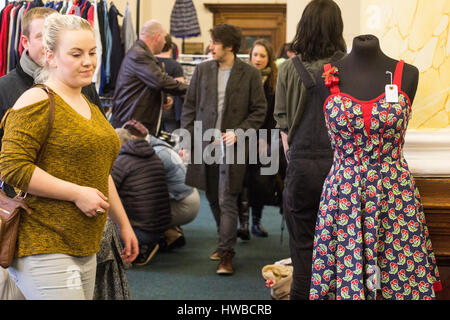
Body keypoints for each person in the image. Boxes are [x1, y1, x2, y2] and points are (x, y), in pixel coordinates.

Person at [0, 12, 138, 300]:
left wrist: (123, 223)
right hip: (43, 241)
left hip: (84, 243)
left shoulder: (85, 100)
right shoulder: (37, 100)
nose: (88, 61)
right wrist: (76, 193)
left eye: (92, 52)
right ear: (50, 56)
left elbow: (99, 171)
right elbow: (13, 168)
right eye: (76, 54)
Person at [309, 34, 442, 300]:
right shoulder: (324, 77)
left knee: (401, 280)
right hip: (343, 198)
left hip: (396, 196)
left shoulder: (408, 74)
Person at [273, 0, 347, 300]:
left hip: (301, 170)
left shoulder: (288, 70)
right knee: (344, 257)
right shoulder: (350, 68)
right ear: (337, 28)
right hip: (342, 171)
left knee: (303, 254)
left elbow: (284, 133)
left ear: (303, 26)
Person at [180, 23, 267, 275]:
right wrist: (187, 141)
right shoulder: (201, 70)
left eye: (215, 43)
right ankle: (224, 240)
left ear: (229, 46)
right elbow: (189, 107)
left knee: (227, 196)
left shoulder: (249, 73)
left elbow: (258, 111)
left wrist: (238, 133)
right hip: (205, 143)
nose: (211, 47)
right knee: (211, 196)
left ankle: (226, 253)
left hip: (234, 146)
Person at [0, 7, 102, 197]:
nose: (49, 43)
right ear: (25, 42)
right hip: (30, 207)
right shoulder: (5, 88)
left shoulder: (83, 85)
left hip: (88, 205)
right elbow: (11, 164)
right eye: (42, 36)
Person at [122, 119, 200, 249]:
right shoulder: (158, 145)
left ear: (134, 138)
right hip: (187, 197)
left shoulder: (156, 153)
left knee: (131, 210)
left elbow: (144, 189)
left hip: (184, 205)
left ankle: (148, 244)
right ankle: (171, 233)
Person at [237, 39, 286, 240]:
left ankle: (256, 221)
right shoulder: (242, 77)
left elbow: (276, 114)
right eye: (255, 55)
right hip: (243, 136)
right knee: (241, 181)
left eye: (262, 55)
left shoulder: (275, 81)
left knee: (260, 182)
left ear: (269, 58)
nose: (257, 59)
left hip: (266, 139)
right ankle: (244, 224)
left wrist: (265, 140)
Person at [111, 19, 188, 136]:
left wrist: (164, 98)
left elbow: (146, 84)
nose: (164, 42)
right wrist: (190, 89)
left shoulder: (140, 53)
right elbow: (159, 80)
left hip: (133, 120)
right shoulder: (140, 55)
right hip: (132, 124)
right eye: (164, 38)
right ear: (157, 37)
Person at [112, 127, 172, 265]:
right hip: (162, 226)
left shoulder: (121, 161)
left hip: (141, 231)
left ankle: (141, 246)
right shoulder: (154, 155)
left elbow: (106, 191)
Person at [156, 34, 185, 133]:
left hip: (154, 107)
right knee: (173, 139)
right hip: (171, 109)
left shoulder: (152, 63)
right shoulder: (176, 66)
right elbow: (180, 87)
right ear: (172, 47)